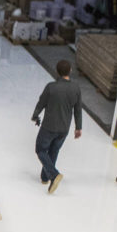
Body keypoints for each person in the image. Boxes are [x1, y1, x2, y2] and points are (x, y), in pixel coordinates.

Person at [31, 59, 82, 194]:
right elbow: (78, 109)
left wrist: (35, 115)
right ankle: (45, 177)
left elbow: (41, 103)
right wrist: (78, 127)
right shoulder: (75, 88)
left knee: (41, 150)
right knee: (54, 151)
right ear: (70, 70)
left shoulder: (51, 87)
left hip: (49, 126)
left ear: (57, 72)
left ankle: (54, 175)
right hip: (64, 128)